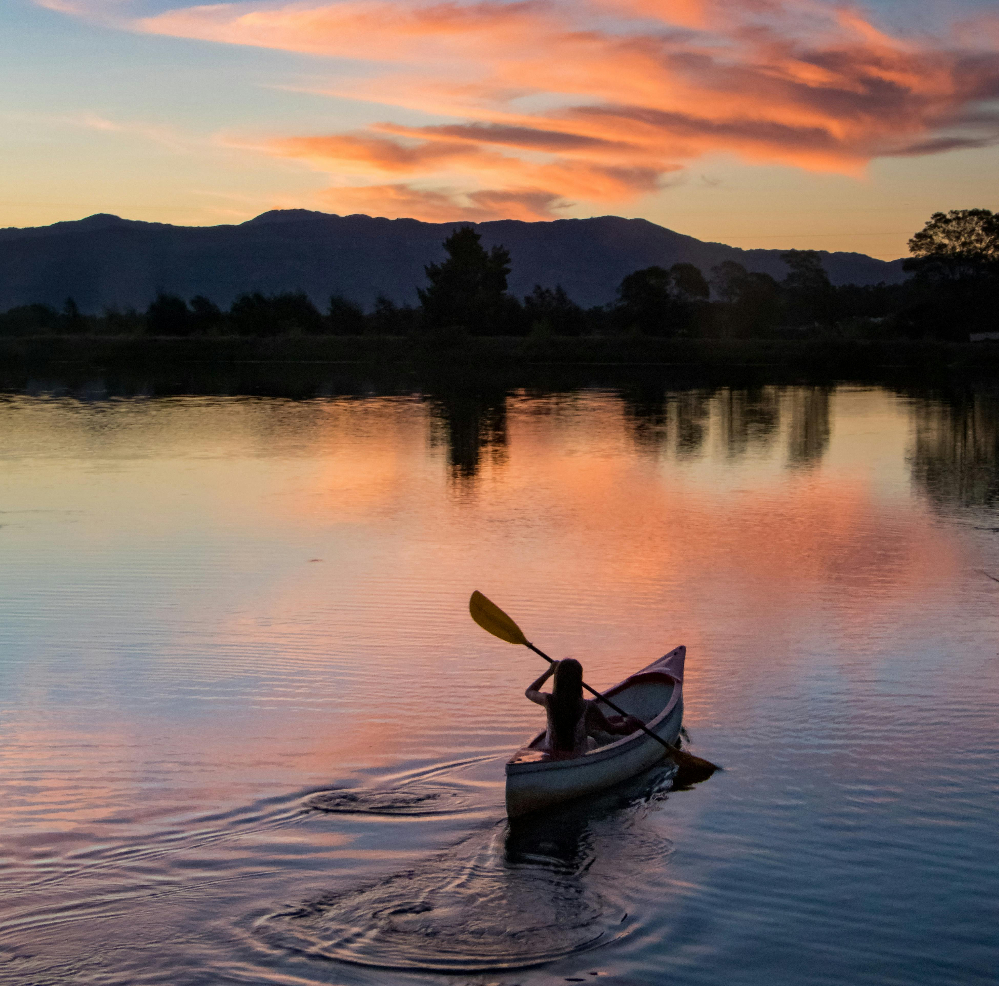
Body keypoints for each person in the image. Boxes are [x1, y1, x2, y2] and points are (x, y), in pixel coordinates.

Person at [526, 658, 644, 756]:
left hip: (553, 755)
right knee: (592, 740)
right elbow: (611, 729)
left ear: (558, 679)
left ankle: (590, 728)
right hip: (577, 757)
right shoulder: (588, 706)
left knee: (590, 732)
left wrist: (549, 671)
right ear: (578, 681)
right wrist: (627, 722)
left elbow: (530, 691)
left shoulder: (548, 701)